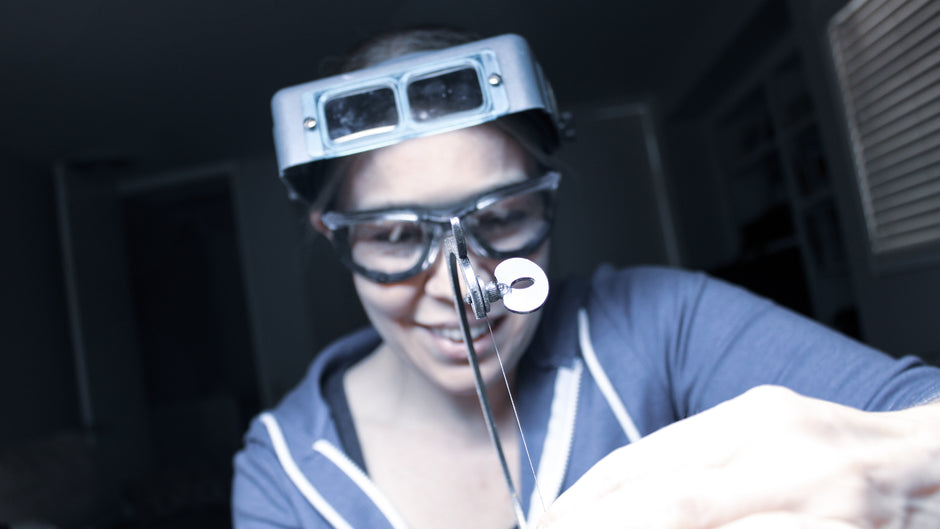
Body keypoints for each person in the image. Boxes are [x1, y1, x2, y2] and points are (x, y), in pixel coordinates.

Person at [232, 28, 940, 529]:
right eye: (395, 235)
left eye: (502, 218)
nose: (459, 287)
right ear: (335, 234)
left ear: (547, 201)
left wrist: (892, 476)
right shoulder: (284, 472)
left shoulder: (660, 321)